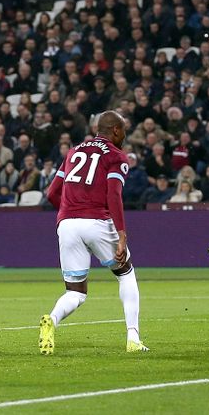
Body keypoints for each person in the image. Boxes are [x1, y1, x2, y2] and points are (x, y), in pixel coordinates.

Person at [44, 111, 147, 354]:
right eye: (123, 130)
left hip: (67, 224)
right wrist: (121, 234)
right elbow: (113, 195)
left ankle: (52, 319)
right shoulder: (116, 156)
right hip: (97, 221)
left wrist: (72, 211)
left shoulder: (73, 152)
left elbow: (51, 194)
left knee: (75, 292)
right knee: (125, 274)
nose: (124, 135)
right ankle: (133, 337)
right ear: (115, 130)